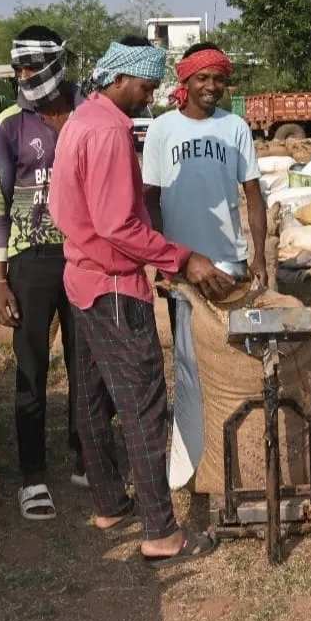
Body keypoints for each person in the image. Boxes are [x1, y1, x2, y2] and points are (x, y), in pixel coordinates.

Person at [48, 37, 234, 566]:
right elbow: (118, 225)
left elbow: (69, 208)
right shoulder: (109, 130)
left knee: (90, 397)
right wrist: (182, 258)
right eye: (147, 87)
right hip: (112, 286)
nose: (150, 97)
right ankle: (161, 531)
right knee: (143, 406)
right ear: (121, 79)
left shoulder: (82, 119)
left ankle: (109, 503)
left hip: (81, 277)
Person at [141, 42, 266, 488]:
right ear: (186, 81)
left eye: (219, 79)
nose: (211, 86)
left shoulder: (235, 128)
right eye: (203, 78)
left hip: (228, 262)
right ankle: (195, 452)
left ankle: (238, 449)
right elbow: (150, 199)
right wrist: (164, 258)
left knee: (234, 359)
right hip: (181, 268)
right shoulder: (162, 130)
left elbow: (253, 195)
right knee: (189, 361)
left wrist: (260, 255)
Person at [0, 26, 87, 520]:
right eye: (18, 68)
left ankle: (87, 454)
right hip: (31, 257)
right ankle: (33, 475)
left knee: (86, 360)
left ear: (53, 64)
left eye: (30, 67)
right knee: (31, 366)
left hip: (84, 254)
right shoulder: (8, 123)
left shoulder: (87, 112)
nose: (23, 76)